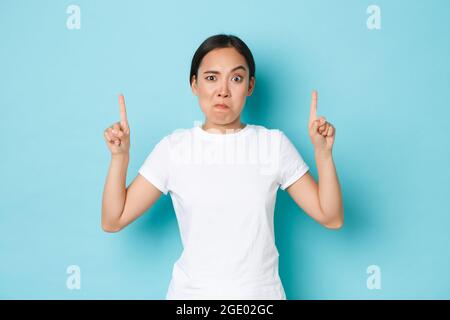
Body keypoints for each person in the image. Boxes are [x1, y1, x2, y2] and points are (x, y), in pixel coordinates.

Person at [101, 34, 344, 300]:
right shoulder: (174, 148)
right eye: (211, 77)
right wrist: (120, 157)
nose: (223, 90)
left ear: (250, 86)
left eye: (236, 78)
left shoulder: (273, 145)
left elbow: (330, 216)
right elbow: (114, 219)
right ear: (194, 84)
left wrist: (323, 154)